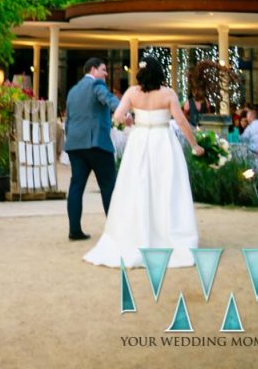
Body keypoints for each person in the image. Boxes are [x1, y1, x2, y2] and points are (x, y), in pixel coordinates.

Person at [83, 55, 204, 269]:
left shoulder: (131, 93)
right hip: (163, 142)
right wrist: (195, 145)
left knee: (136, 187)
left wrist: (131, 123)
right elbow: (182, 122)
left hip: (139, 143)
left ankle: (135, 234)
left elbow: (118, 117)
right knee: (166, 188)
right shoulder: (168, 94)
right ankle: (167, 234)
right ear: (160, 73)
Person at [64, 57, 126, 241]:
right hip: (97, 144)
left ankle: (74, 230)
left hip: (75, 145)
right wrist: (123, 112)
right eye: (103, 69)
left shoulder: (73, 91)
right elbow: (108, 99)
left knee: (76, 187)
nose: (106, 74)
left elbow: (68, 120)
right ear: (93, 70)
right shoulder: (97, 85)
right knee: (108, 186)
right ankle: (115, 230)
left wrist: (71, 140)